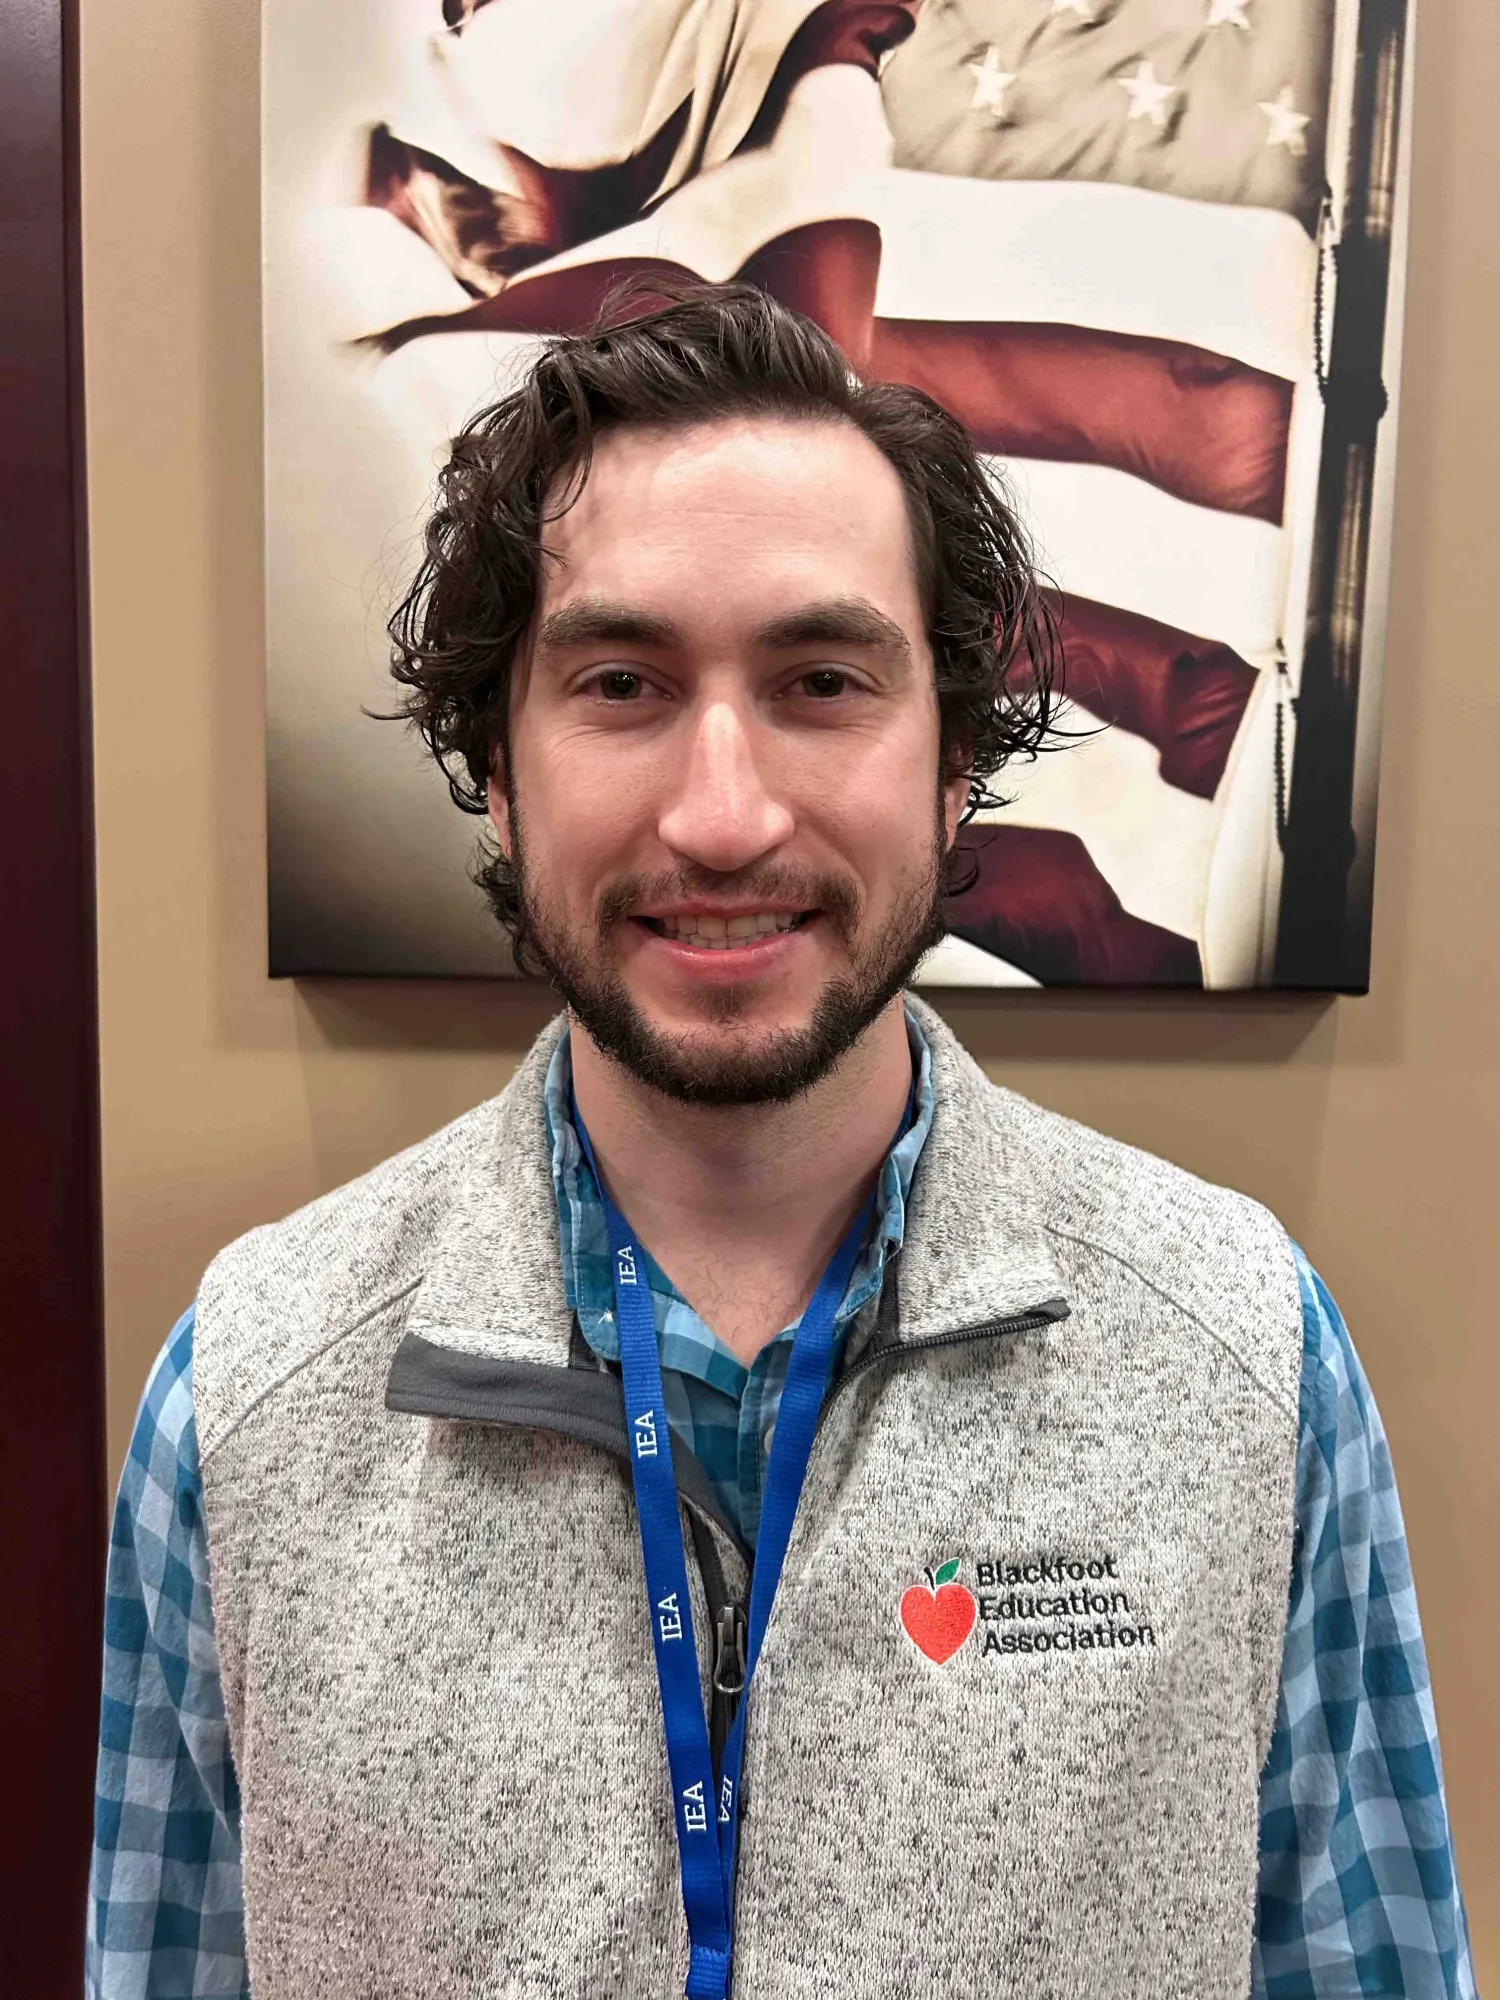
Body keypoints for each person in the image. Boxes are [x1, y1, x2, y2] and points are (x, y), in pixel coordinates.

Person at [88, 284, 1475, 1999]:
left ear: (955, 758)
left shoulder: (1249, 1352)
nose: (724, 813)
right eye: (620, 682)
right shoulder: (249, 1395)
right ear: (499, 773)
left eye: (823, 680)